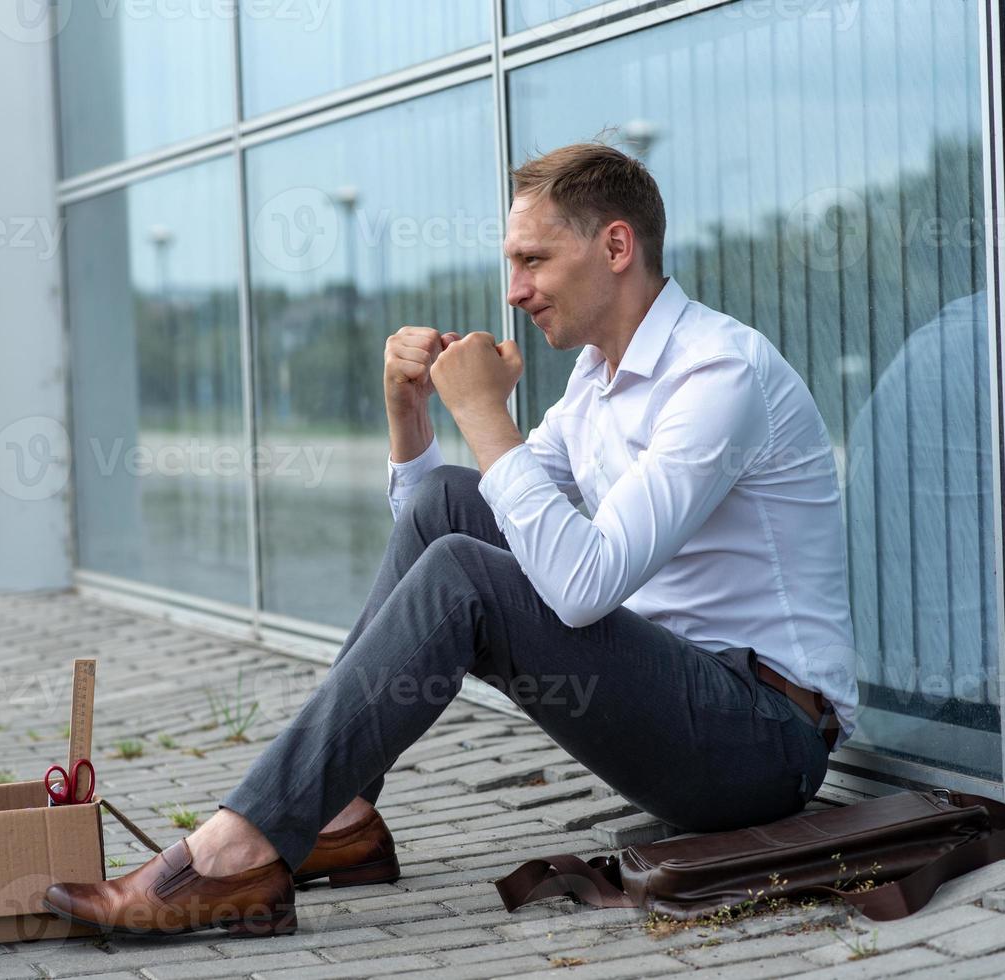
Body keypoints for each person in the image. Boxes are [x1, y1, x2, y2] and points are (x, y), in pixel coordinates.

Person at [43, 142, 858, 938]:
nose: (517, 291)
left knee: (470, 572)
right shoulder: (596, 383)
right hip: (669, 694)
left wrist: (482, 413)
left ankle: (237, 850)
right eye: (514, 264)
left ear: (616, 246)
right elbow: (439, 541)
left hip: (760, 740)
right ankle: (345, 812)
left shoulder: (719, 374)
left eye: (533, 260)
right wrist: (413, 416)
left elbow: (581, 585)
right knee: (444, 501)